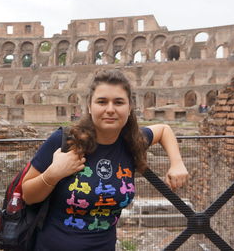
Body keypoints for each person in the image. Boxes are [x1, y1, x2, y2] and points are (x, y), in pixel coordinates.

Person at [22, 69, 189, 251]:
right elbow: (28, 196)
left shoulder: (131, 141)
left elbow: (164, 130)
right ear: (89, 106)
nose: (110, 109)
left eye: (118, 102)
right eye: (102, 102)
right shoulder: (65, 140)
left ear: (129, 107)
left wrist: (177, 163)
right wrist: (52, 174)